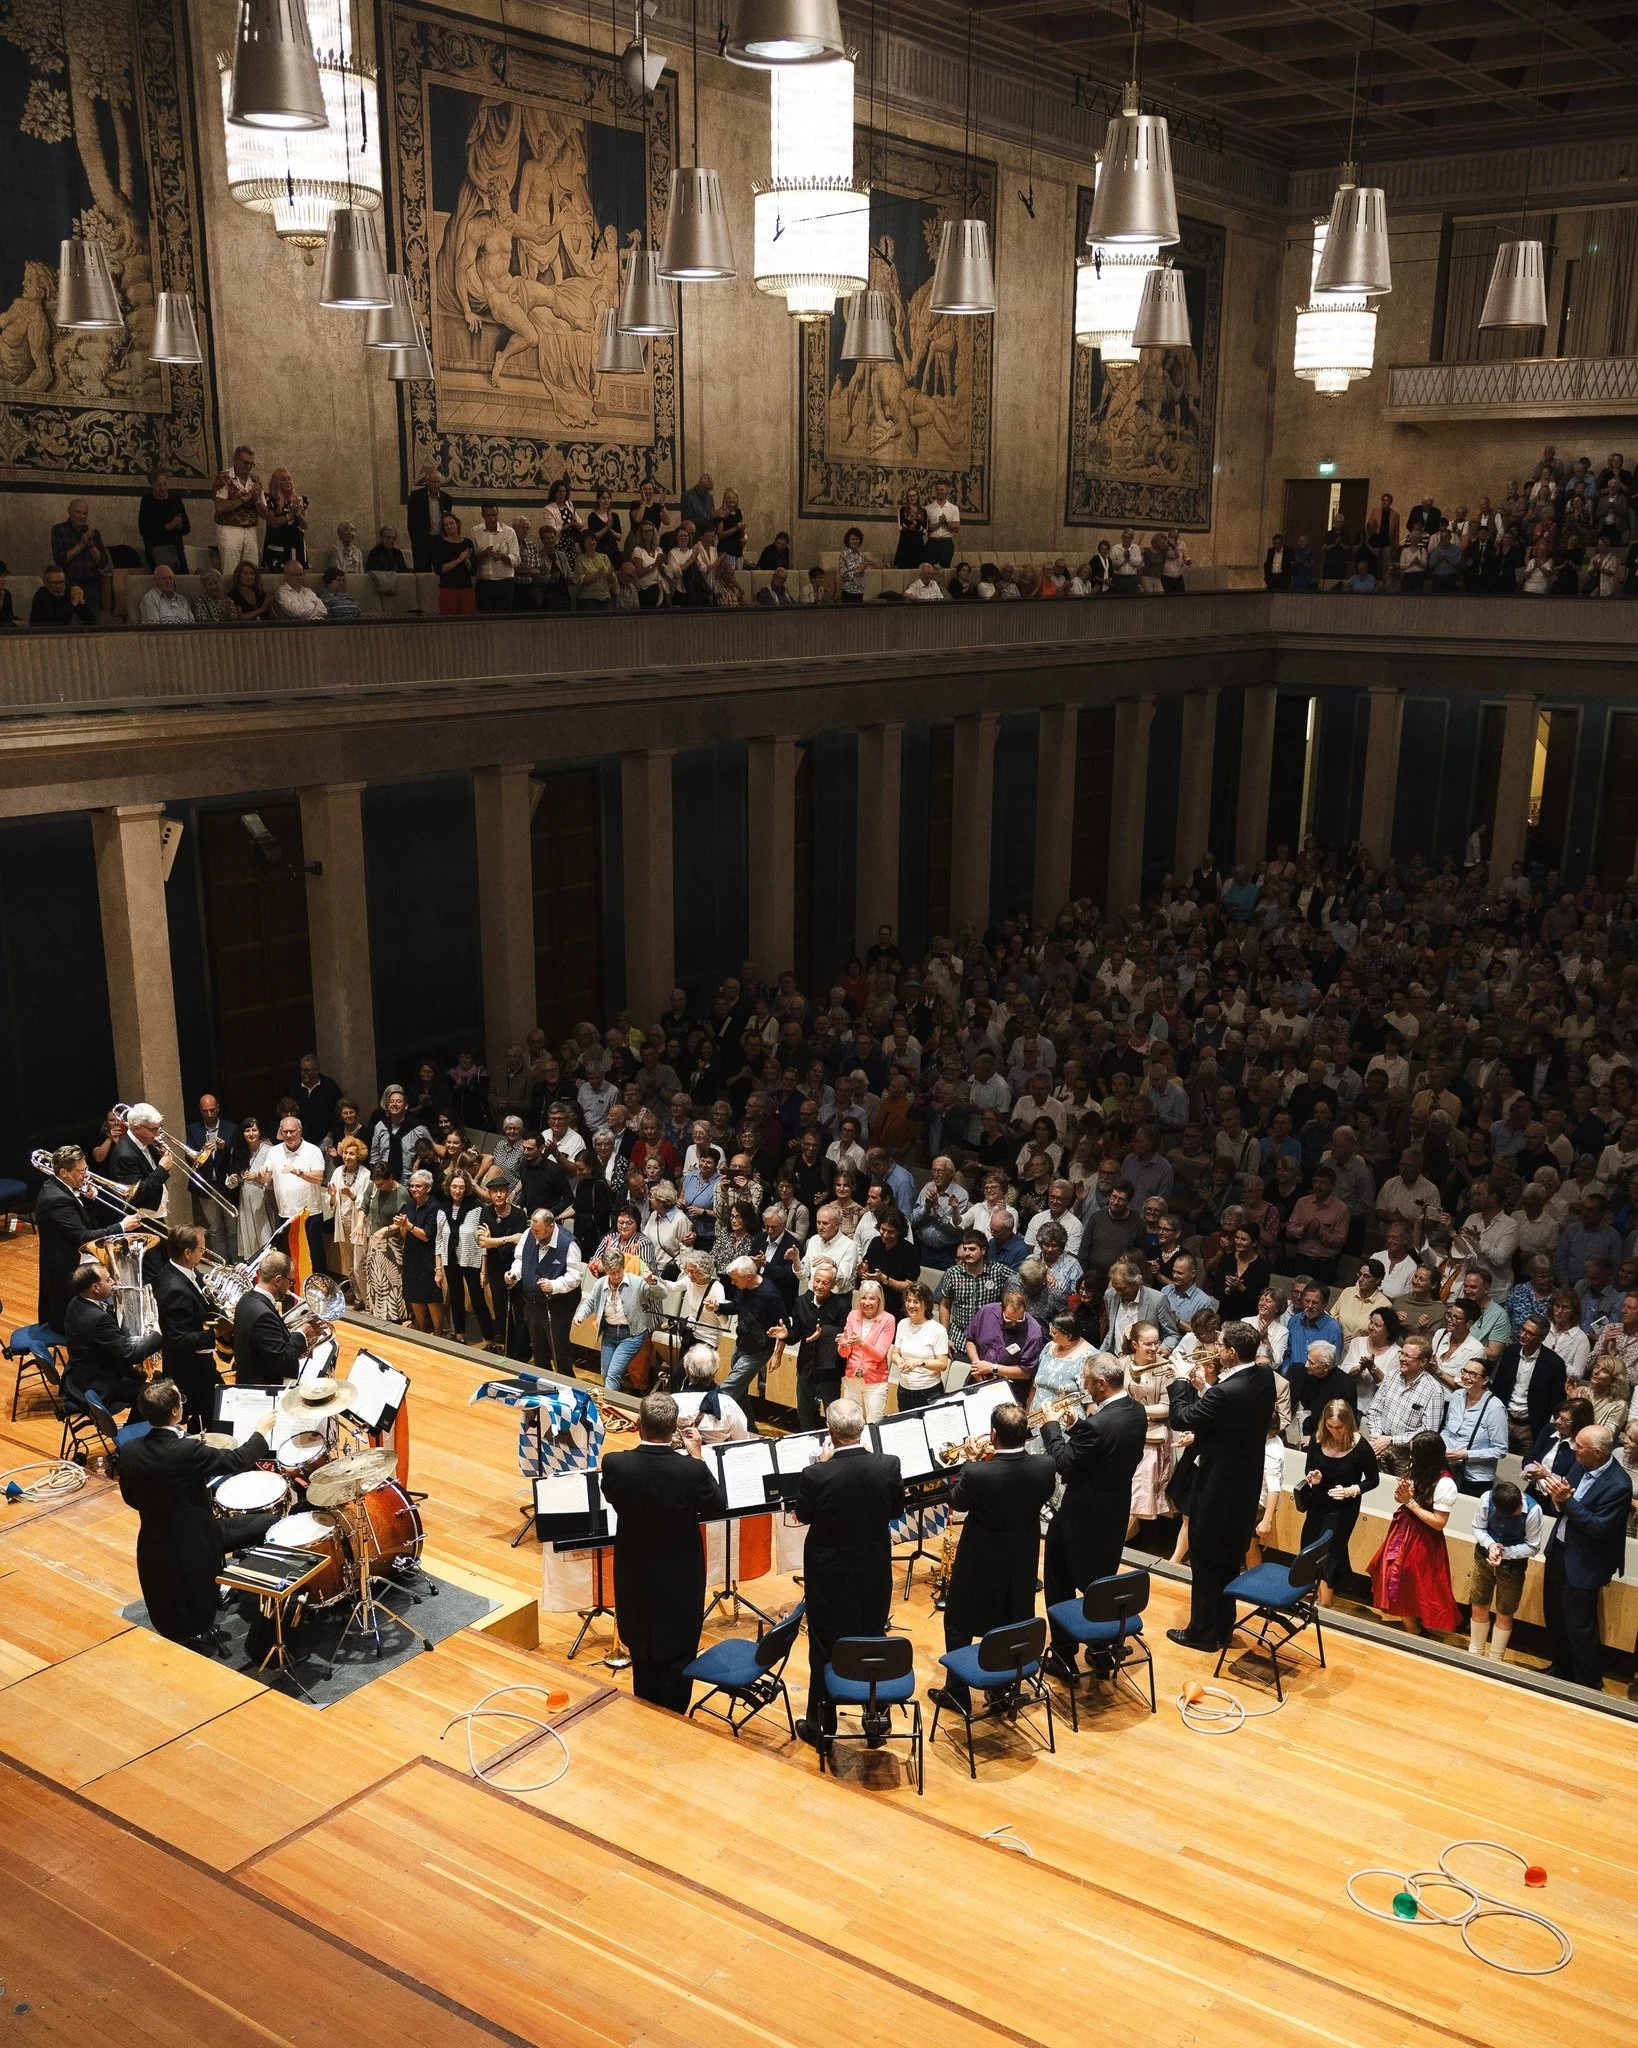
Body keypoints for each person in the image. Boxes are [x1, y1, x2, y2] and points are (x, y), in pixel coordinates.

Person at [116, 1377, 280, 1647]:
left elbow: (131, 1498)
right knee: (270, 1523)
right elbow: (237, 1459)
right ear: (175, 1412)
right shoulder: (187, 1449)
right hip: (199, 1541)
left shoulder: (131, 1450)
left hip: (153, 1543)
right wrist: (261, 1432)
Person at [598, 1391, 729, 1710]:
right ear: (674, 1429)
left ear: (639, 1424)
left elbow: (615, 1495)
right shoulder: (691, 1471)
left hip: (635, 1575)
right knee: (680, 1654)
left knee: (642, 1653)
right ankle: (676, 1716)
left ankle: (645, 1712)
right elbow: (716, 1506)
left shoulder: (616, 1464)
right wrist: (695, 1454)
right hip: (681, 1579)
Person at [792, 1398, 905, 1749]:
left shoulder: (816, 1473)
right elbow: (896, 1510)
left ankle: (822, 1729)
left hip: (828, 1576)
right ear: (863, 1426)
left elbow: (803, 1514)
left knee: (824, 1646)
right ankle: (876, 1723)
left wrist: (824, 1465)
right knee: (872, 1638)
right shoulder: (888, 1465)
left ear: (830, 1432)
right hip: (873, 1571)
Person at [934, 1401, 1056, 1714]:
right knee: (1012, 1617)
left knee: (958, 1622)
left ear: (993, 1434)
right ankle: (1004, 1691)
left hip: (980, 1558)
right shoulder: (1044, 1465)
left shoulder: (977, 1472)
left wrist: (969, 1463)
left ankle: (957, 1692)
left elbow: (958, 1503)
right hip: (1022, 1556)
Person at [1166, 1322, 1277, 1651]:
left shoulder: (1225, 1392)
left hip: (1216, 1489)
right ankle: (1222, 1625)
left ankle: (1201, 1632)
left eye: (1220, 1345)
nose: (1215, 1349)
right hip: (1242, 1487)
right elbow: (1228, 1418)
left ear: (1231, 1352)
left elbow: (1181, 1419)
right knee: (1228, 1559)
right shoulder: (1263, 1377)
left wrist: (1179, 1381)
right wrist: (1205, 1387)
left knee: (1203, 1559)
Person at [1039, 1353, 1147, 1675]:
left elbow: (1065, 1463)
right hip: (1113, 1514)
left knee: (1058, 1581)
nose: (1083, 1385)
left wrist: (1052, 1428)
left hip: (1078, 1515)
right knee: (1099, 1581)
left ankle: (1063, 1658)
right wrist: (1077, 1426)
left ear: (1102, 1383)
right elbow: (1103, 1450)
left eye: (1086, 1380)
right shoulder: (1136, 1411)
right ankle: (1102, 1651)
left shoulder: (1099, 1426)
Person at [1540, 1423, 1632, 1687]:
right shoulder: (1581, 1465)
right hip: (1559, 1549)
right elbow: (1565, 1500)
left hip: (1586, 1563)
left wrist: (1566, 1501)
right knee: (1555, 1615)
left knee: (1580, 1627)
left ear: (1598, 1452)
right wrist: (1558, 1498)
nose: (1574, 1450)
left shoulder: (1619, 1485)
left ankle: (1588, 1683)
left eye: (1579, 1447)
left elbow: (1599, 1527)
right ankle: (1562, 1668)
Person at [34, 1143, 144, 1330]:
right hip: (65, 1266)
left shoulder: (62, 1188)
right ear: (63, 1173)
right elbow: (83, 1235)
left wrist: (86, 1197)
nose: (86, 1175)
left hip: (72, 1258)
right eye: (81, 1171)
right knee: (75, 1319)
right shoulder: (56, 1199)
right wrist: (121, 1226)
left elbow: (86, 1221)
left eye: (86, 1169)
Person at [1368, 1429, 1461, 1635]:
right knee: (1390, 1575)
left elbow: (1438, 1522)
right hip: (1402, 1531)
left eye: (1414, 1454)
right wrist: (1402, 1496)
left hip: (1424, 1539)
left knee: (1414, 1584)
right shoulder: (1416, 1469)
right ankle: (1411, 1627)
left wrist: (1409, 1502)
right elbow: (1400, 1499)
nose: (1411, 1458)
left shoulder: (1445, 1483)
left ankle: (1417, 1629)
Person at [1294, 1398, 1379, 1604]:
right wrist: (1314, 1477)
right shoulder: (1318, 1438)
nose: (1334, 1431)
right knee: (1308, 1544)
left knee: (1329, 1551)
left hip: (1344, 1507)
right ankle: (1309, 1591)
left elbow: (1373, 1480)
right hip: (1318, 1502)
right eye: (1330, 1426)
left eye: (1339, 1427)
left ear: (1348, 1424)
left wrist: (1352, 1490)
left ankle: (1325, 1603)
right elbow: (1309, 1468)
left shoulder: (1361, 1446)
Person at [149, 1225, 224, 1432]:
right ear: (187, 1252)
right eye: (201, 1249)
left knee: (216, 1404)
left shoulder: (177, 1269)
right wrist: (216, 1333)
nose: (204, 1254)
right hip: (191, 1369)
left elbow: (200, 1289)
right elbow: (178, 1339)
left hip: (198, 1363)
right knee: (211, 1410)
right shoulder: (175, 1289)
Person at [62, 1261, 161, 1412]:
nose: (113, 1282)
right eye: (108, 1280)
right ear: (95, 1288)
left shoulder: (75, 1302)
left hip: (80, 1377)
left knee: (154, 1380)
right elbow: (131, 1354)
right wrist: (158, 1335)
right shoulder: (96, 1319)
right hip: (99, 1385)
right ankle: (136, 1430)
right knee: (155, 1394)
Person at [1466, 1479, 1543, 1662]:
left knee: (1505, 1611)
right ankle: (1475, 1653)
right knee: (1478, 1604)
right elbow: (1478, 1527)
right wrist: (1491, 1545)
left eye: (1517, 1510)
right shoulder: (1487, 1499)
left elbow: (1533, 1546)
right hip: (1483, 1557)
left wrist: (1505, 1552)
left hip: (1513, 1566)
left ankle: (1496, 1658)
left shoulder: (1533, 1510)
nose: (1517, 1513)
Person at [505, 1206, 584, 1376]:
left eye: (539, 1231)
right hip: (533, 1304)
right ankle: (543, 1384)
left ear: (550, 1227)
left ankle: (567, 1387)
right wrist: (514, 1274)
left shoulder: (568, 1243)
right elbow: (520, 1259)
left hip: (558, 1307)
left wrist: (554, 1285)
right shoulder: (528, 1234)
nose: (535, 1234)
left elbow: (576, 1277)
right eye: (533, 1229)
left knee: (559, 1351)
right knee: (538, 1349)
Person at [230, 1249, 317, 1383]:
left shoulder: (246, 1299)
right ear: (278, 1281)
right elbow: (282, 1361)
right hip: (263, 1390)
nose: (290, 1286)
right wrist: (302, 1334)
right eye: (290, 1281)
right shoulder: (263, 1315)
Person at [583, 1246, 663, 1390]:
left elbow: (661, 1294)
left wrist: (652, 1282)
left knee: (613, 1374)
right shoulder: (600, 1284)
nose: (615, 1276)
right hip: (609, 1334)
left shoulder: (636, 1282)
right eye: (611, 1273)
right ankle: (615, 1399)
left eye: (618, 1271)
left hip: (631, 1335)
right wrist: (580, 1315)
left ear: (623, 1267)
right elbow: (590, 1302)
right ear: (606, 1271)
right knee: (606, 1373)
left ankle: (609, 1408)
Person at [788, 1258, 848, 1428]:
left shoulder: (842, 1305)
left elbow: (843, 1333)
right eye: (817, 1281)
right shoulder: (801, 1302)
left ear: (833, 1284)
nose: (820, 1286)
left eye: (825, 1283)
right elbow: (796, 1335)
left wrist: (823, 1334)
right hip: (805, 1365)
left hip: (829, 1369)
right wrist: (785, 1334)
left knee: (833, 1415)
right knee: (803, 1412)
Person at [1441, 1358, 1509, 1496]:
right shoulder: (1457, 1396)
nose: (1466, 1377)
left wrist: (1466, 1455)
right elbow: (1447, 1429)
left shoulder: (1495, 1408)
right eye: (1464, 1371)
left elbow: (1500, 1449)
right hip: (1449, 1468)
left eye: (1472, 1374)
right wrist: (1444, 1447)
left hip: (1476, 1478)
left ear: (1485, 1380)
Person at [837, 1278, 895, 1423]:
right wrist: (843, 1345)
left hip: (875, 1384)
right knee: (849, 1424)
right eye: (864, 1298)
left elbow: (879, 1355)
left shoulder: (888, 1320)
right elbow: (844, 1354)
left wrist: (862, 1343)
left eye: (872, 1299)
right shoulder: (853, 1316)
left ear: (879, 1301)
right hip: (851, 1380)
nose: (867, 1302)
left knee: (873, 1426)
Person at [671, 1341, 750, 1443]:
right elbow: (742, 1441)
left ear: (686, 1370)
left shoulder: (672, 1402)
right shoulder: (728, 1404)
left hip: (679, 1457)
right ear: (715, 1371)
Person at [888, 1282, 949, 1411]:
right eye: (908, 1301)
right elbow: (895, 1353)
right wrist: (898, 1360)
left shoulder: (937, 1329)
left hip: (929, 1392)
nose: (911, 1305)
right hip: (904, 1389)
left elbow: (943, 1364)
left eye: (916, 1302)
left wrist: (919, 1362)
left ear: (926, 1304)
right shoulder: (903, 1324)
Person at [138, 469, 191, 570]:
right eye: (159, 485)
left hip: (177, 551)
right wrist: (168, 526)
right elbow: (144, 530)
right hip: (157, 552)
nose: (163, 488)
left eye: (165, 484)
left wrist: (179, 524)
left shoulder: (175, 499)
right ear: (152, 485)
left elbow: (186, 528)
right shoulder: (147, 501)